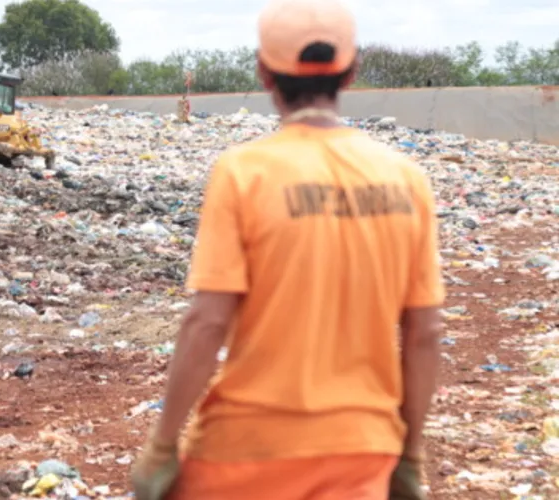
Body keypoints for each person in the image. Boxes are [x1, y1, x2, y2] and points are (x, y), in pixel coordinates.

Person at [129, 0, 445, 498]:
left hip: (244, 450)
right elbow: (425, 331)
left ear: (263, 72)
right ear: (352, 71)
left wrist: (163, 445)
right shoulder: (407, 180)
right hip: (363, 449)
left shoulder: (244, 173)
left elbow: (209, 321)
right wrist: (410, 452)